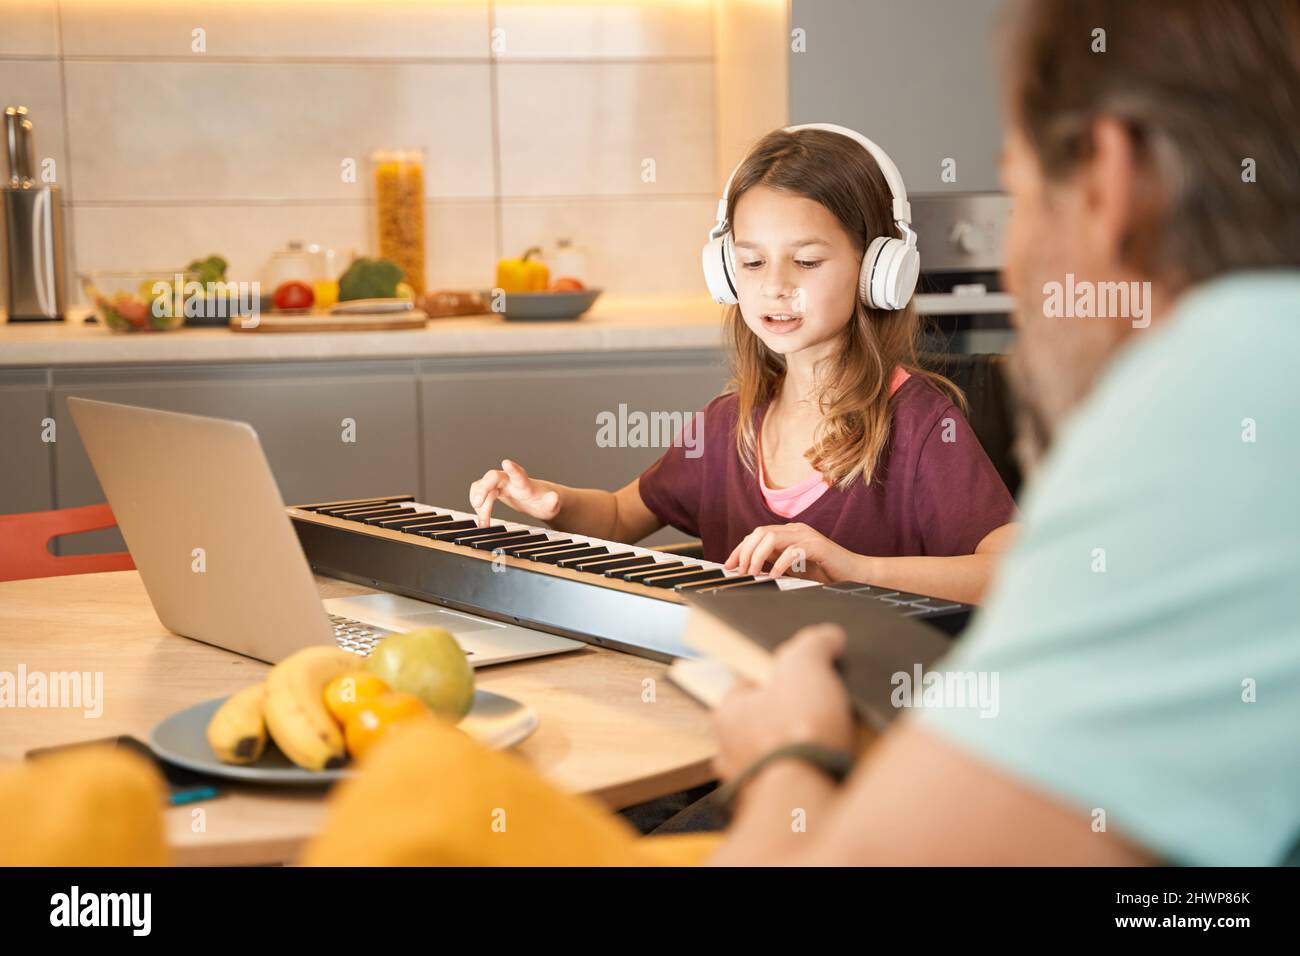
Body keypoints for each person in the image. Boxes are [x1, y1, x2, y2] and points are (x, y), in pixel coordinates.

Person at [707, 0, 1300, 866]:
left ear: (1109, 177)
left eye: (1017, 194)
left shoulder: (1225, 386)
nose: (1013, 260)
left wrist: (788, 756)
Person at [470, 125, 1016, 606]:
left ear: (877, 268)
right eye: (752, 262)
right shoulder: (724, 425)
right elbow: (617, 516)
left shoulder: (921, 424)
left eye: (806, 261)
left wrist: (857, 570)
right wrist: (551, 502)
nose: (775, 285)